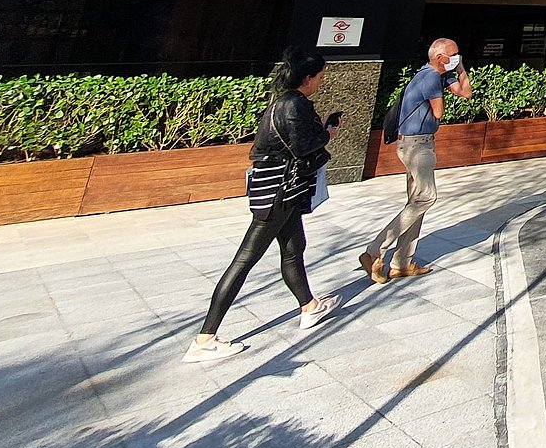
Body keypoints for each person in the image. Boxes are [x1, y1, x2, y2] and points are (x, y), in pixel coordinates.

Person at [186, 47, 339, 362]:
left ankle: (309, 306)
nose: (321, 82)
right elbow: (303, 146)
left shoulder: (280, 101)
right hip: (278, 192)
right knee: (244, 260)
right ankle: (205, 338)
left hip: (282, 191)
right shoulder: (294, 104)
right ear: (308, 78)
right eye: (320, 76)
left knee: (294, 248)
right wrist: (327, 134)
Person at [359, 38, 472, 285]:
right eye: (453, 55)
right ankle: (375, 250)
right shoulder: (431, 77)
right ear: (440, 57)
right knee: (426, 197)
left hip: (416, 143)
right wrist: (447, 80)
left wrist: (461, 69)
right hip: (417, 145)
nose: (456, 58)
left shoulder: (437, 75)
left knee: (416, 201)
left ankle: (402, 263)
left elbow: (466, 93)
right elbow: (438, 112)